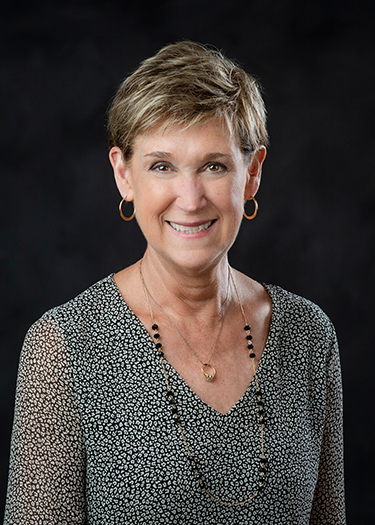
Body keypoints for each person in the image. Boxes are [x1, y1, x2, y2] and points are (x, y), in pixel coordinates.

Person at [4, 41, 345, 524]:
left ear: (251, 174)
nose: (190, 199)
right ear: (124, 175)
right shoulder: (62, 348)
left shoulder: (309, 335)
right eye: (162, 166)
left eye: (214, 165)